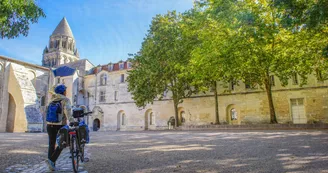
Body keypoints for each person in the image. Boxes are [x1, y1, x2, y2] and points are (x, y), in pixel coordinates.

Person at [46, 84, 74, 171]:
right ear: (63, 91)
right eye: (65, 90)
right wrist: (72, 120)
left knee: (51, 144)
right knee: (64, 142)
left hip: (49, 124)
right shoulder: (65, 100)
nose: (66, 91)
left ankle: (52, 165)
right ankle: (52, 160)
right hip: (60, 124)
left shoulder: (51, 100)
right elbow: (68, 111)